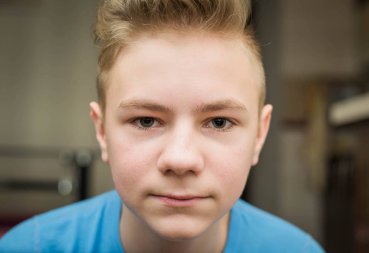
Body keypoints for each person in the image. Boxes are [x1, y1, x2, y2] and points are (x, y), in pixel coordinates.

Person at [0, 0, 325, 252]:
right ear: (101, 132)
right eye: (145, 120)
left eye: (219, 122)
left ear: (259, 134)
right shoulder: (30, 247)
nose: (180, 160)